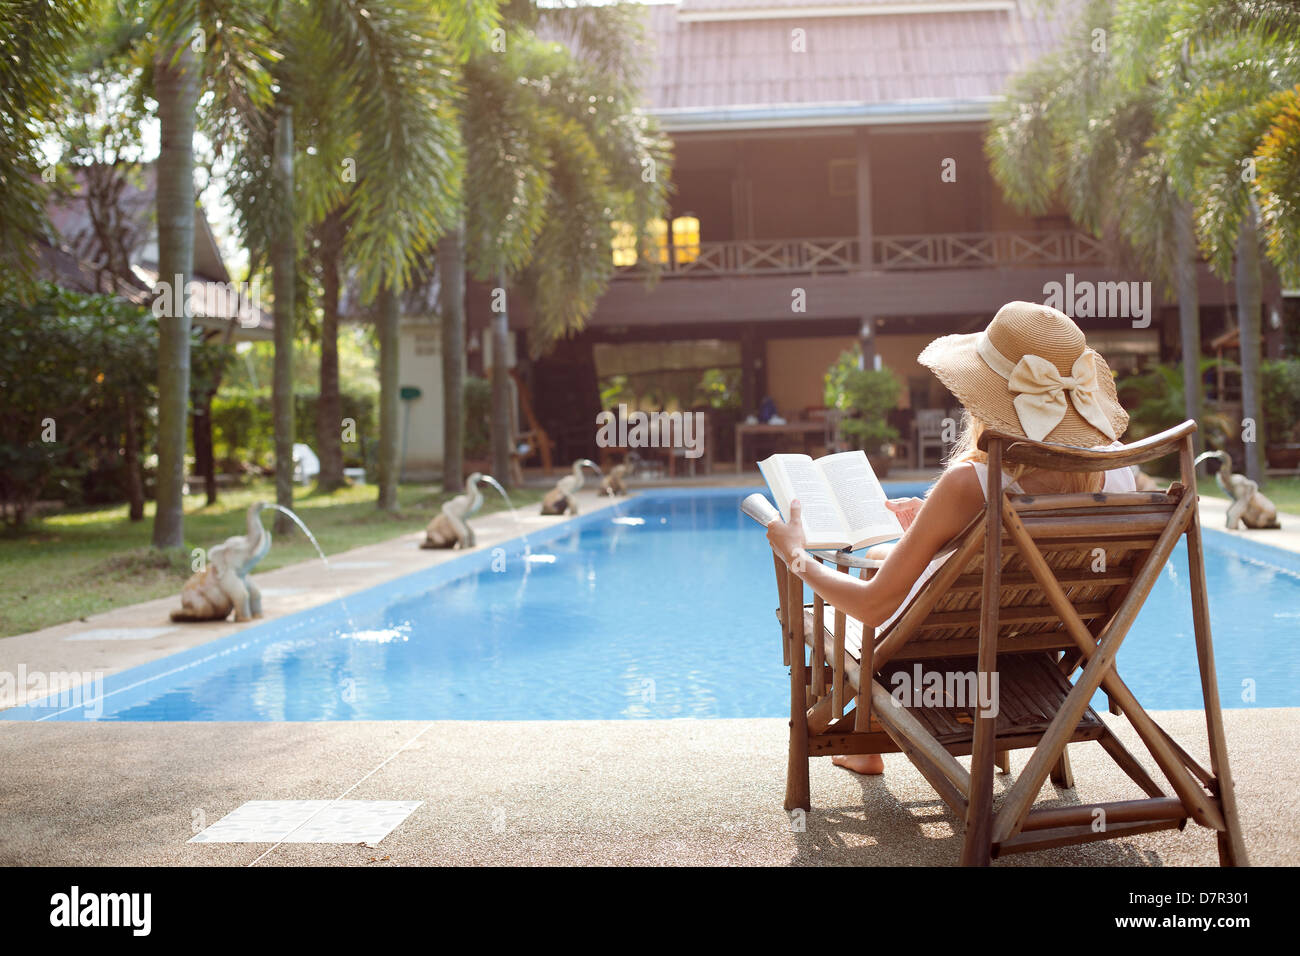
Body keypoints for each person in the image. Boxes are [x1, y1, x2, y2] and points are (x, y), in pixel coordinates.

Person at [765, 301, 1135, 774]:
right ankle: (863, 743)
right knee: (884, 552)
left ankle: (855, 734)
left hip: (940, 646)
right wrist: (941, 529)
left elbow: (873, 607)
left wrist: (796, 555)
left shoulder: (971, 484)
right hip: (1038, 641)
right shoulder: (1121, 473)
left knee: (845, 584)